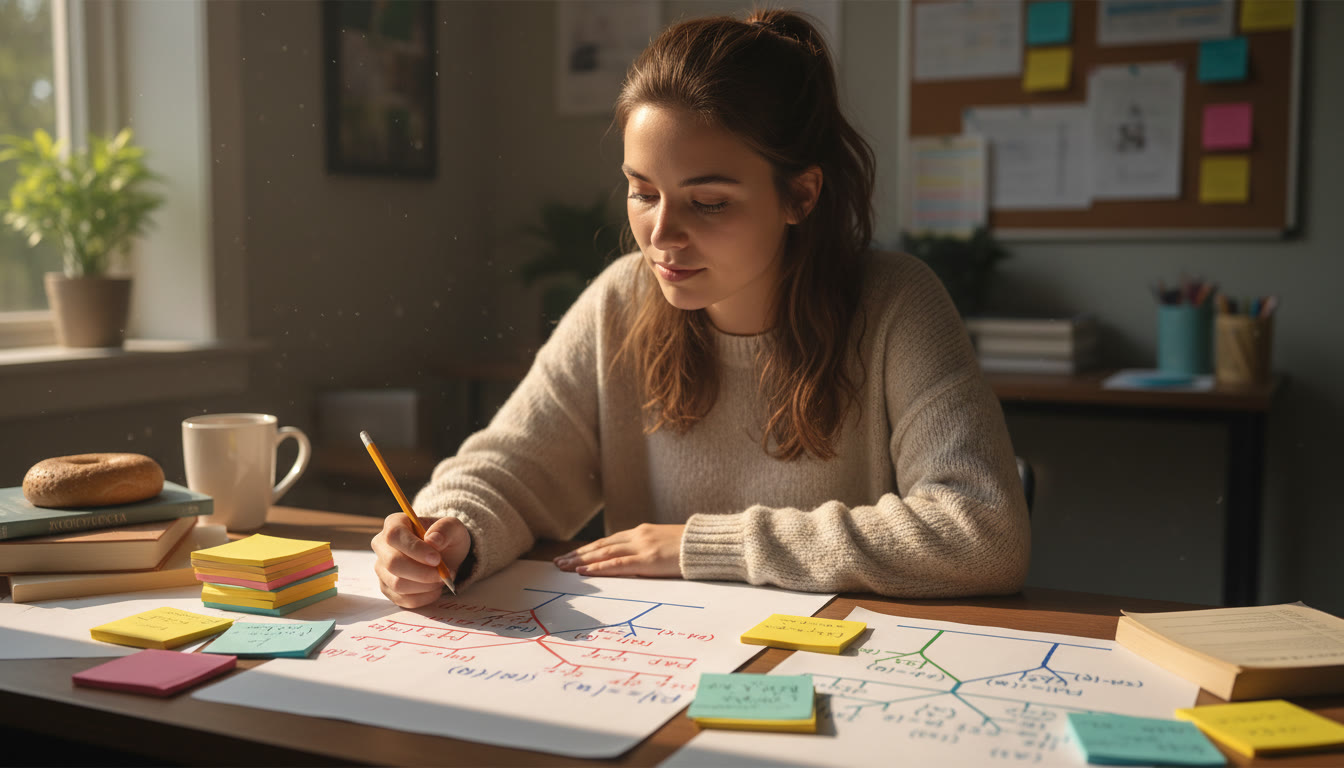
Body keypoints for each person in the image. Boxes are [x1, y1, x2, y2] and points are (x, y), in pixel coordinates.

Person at [372, 10, 1030, 609]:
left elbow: (981, 530)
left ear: (801, 195)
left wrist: (707, 545)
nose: (661, 233)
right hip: (666, 659)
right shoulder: (621, 300)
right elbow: (514, 465)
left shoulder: (897, 304)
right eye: (642, 192)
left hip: (837, 667)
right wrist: (450, 527)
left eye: (708, 202)